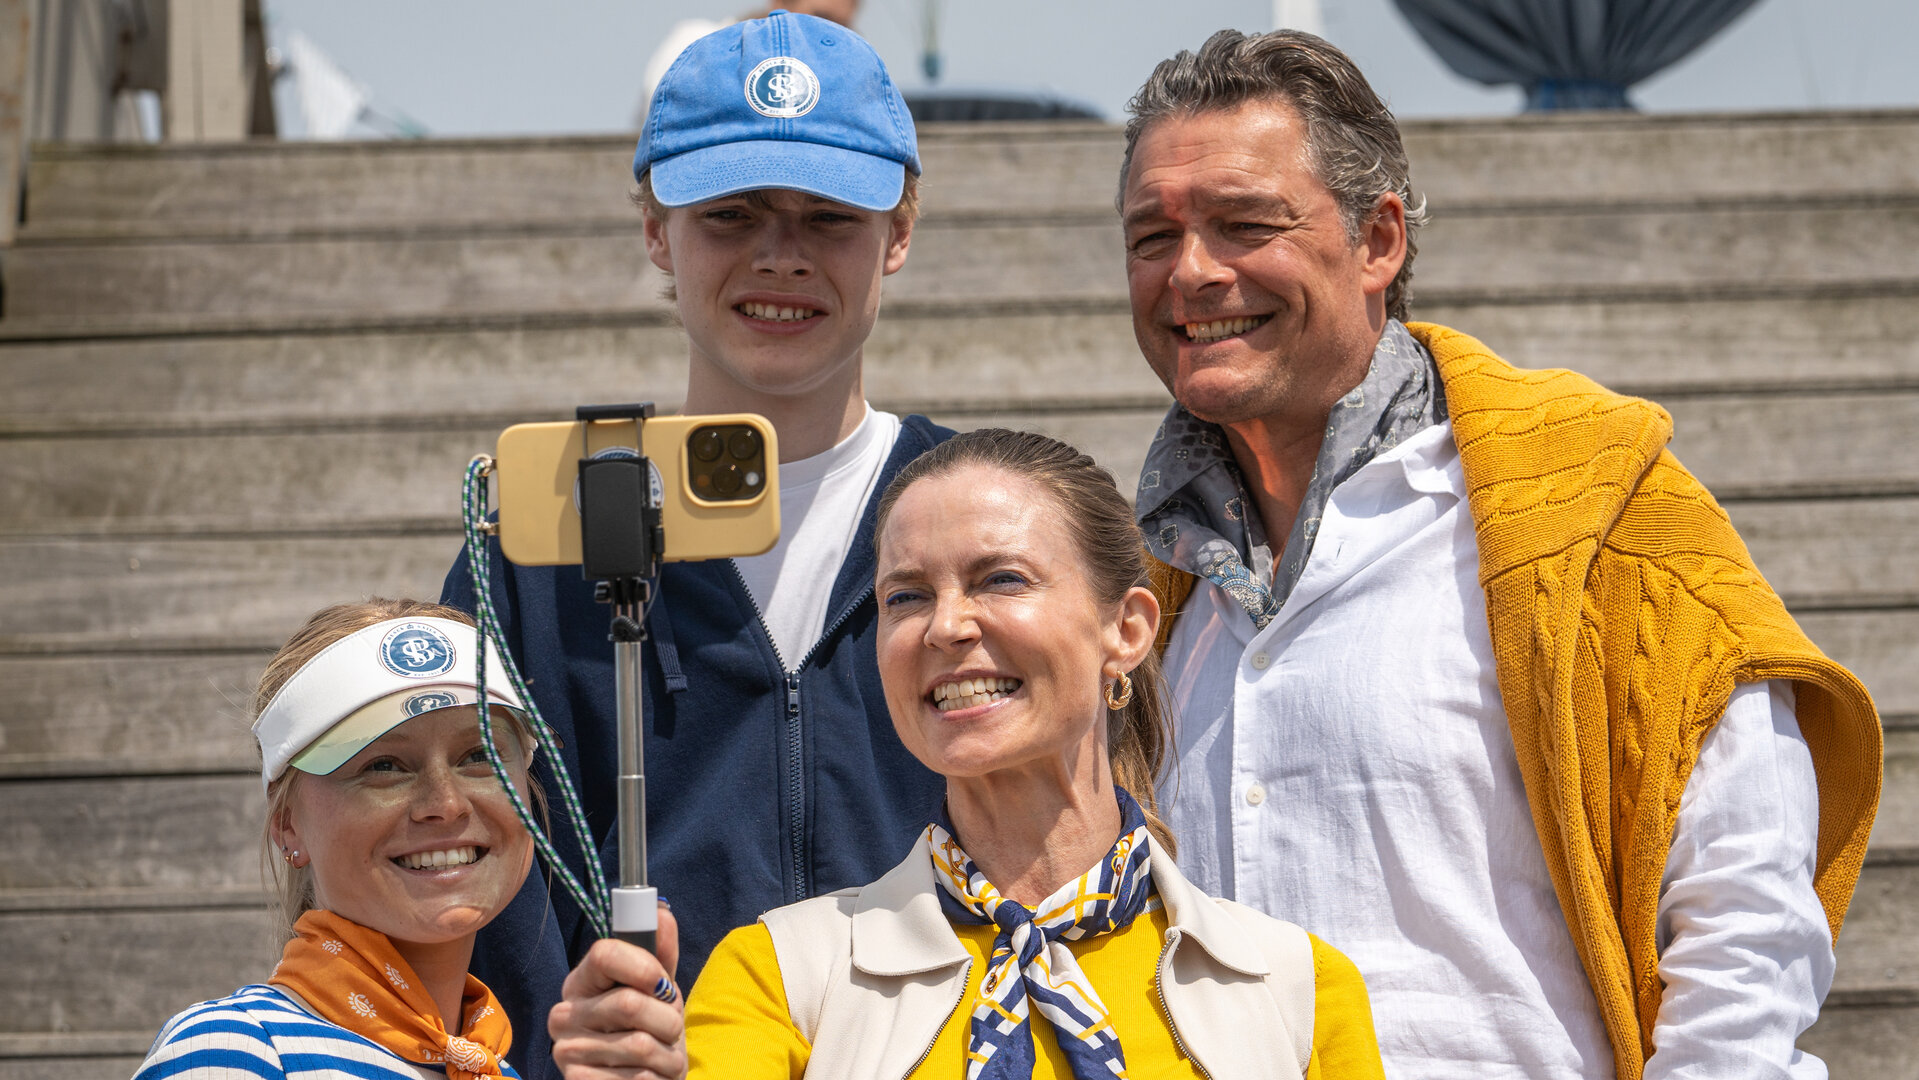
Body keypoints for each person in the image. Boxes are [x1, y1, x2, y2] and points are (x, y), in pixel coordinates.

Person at [1115, 28, 1882, 1080]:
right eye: (1151, 236)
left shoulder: (1594, 512)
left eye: (1244, 224)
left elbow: (1742, 909)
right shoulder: (1142, 587)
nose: (1192, 271)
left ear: (1377, 240)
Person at [443, 11, 953, 1077]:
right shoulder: (538, 542)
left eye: (829, 216)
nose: (781, 255)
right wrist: (557, 1047)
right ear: (653, 229)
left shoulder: (985, 516)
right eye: (729, 214)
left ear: (899, 232)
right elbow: (477, 877)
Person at [681, 428, 1387, 1079]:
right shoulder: (779, 976)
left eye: (1001, 579)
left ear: (1127, 630)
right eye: (906, 596)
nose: (945, 626)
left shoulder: (1298, 992)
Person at [132, 599, 579, 1079]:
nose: (446, 803)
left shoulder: (493, 1068)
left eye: (479, 755)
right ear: (287, 824)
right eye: (383, 766)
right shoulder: (233, 1053)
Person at [636, 0, 861, 123]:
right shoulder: (695, 44)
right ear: (780, 3)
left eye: (843, 26)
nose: (831, 32)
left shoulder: (844, 71)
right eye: (822, 17)